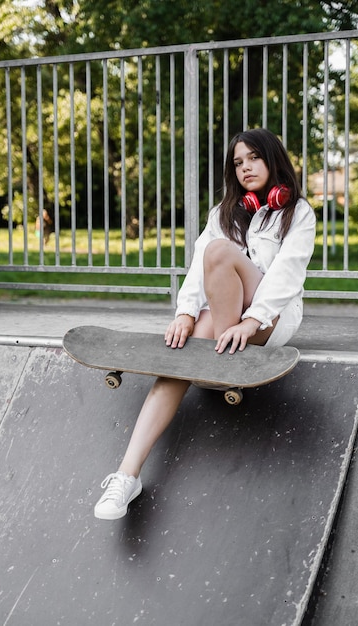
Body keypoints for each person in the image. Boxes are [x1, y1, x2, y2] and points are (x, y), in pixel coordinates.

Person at [94, 128, 316, 520]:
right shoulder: (223, 213)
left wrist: (251, 322)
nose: (245, 167)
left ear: (273, 159)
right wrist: (185, 312)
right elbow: (199, 268)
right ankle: (126, 475)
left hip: (270, 318)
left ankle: (218, 361)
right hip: (224, 320)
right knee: (179, 356)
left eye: (253, 158)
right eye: (237, 162)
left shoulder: (297, 212)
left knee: (219, 251)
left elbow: (287, 275)